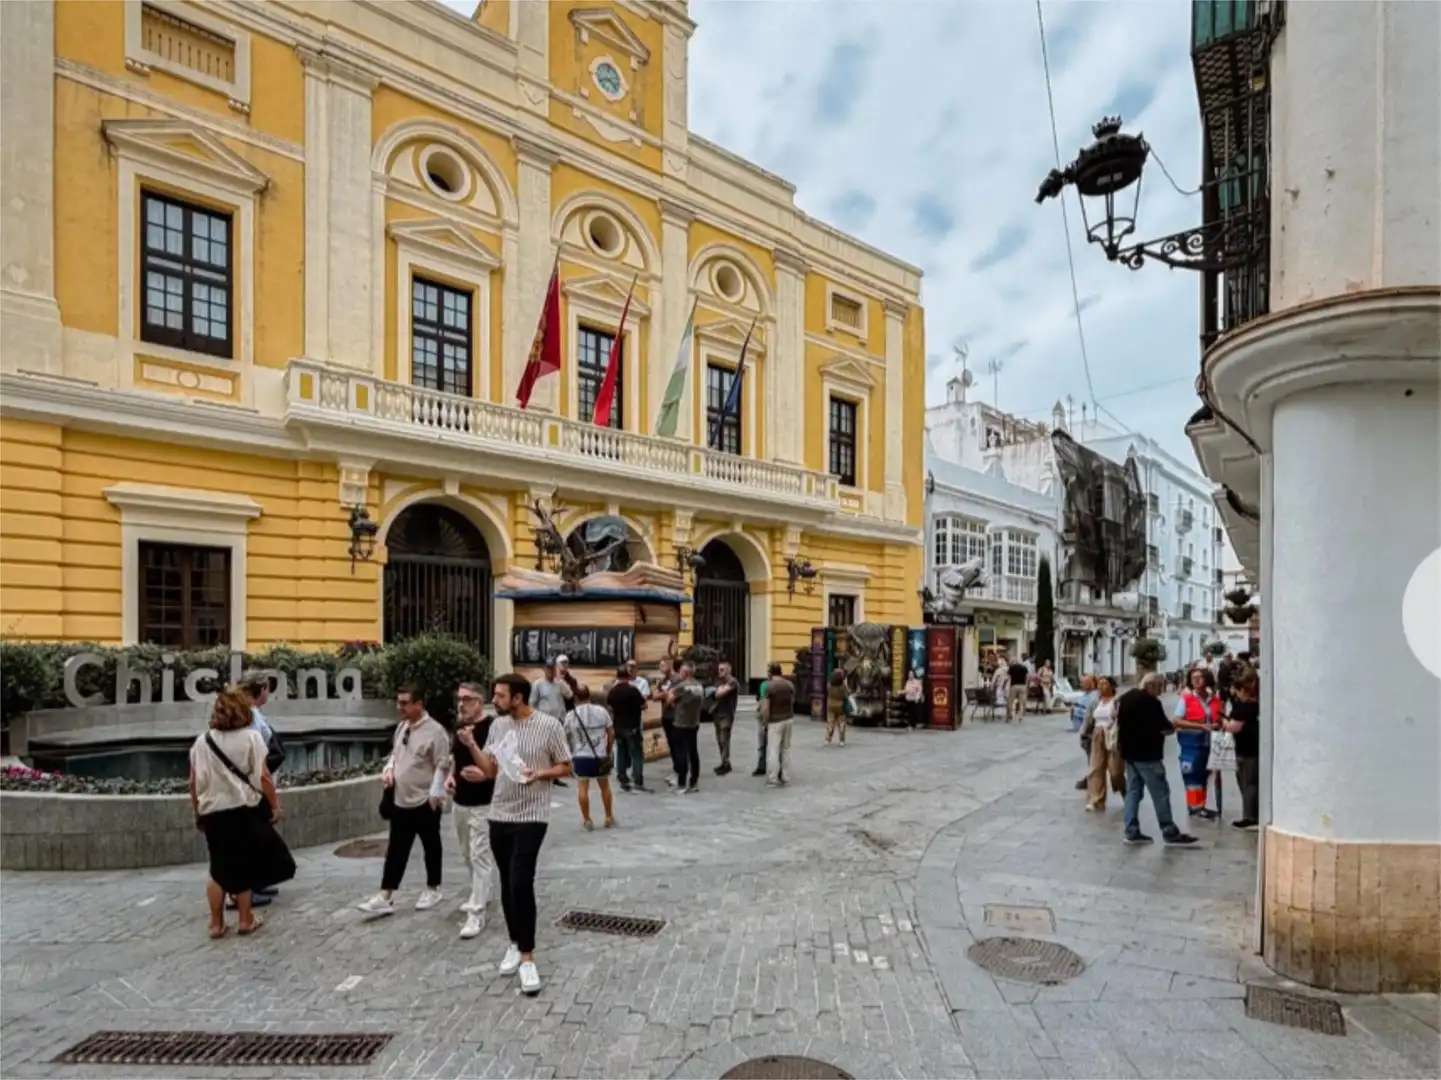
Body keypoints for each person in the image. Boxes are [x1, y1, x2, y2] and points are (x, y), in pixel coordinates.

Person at [475, 673, 572, 996]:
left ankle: (528, 957)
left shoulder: (549, 726)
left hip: (533, 815)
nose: (495, 700)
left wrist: (540, 774)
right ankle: (514, 943)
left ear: (518, 697)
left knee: (520, 880)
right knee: (506, 882)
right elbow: (490, 770)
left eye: (501, 696)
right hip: (499, 812)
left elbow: (566, 766)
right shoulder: (498, 726)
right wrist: (470, 749)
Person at [189, 687, 292, 939]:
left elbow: (192, 783)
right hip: (243, 809)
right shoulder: (251, 738)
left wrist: (197, 812)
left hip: (212, 810)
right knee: (243, 864)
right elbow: (264, 776)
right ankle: (245, 920)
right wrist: (275, 806)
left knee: (217, 868)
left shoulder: (202, 742)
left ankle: (216, 924)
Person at [358, 687, 451, 916]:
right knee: (397, 848)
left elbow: (442, 764)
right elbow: (395, 755)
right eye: (398, 703)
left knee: (431, 845)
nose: (399, 707)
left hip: (424, 800)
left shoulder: (436, 732)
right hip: (401, 799)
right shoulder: (403, 727)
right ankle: (385, 894)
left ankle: (433, 887)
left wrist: (435, 795)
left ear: (419, 704)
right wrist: (389, 770)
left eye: (405, 703)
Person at [1117, 673, 1197, 846]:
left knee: (1133, 792)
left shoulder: (1125, 698)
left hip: (1130, 754)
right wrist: (1173, 727)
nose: (1161, 690)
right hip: (1148, 754)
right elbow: (1164, 727)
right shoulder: (1151, 703)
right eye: (1160, 686)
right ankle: (1169, 830)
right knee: (1160, 793)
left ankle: (1131, 831)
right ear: (1151, 685)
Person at [447, 682, 495, 939]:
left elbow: (498, 766)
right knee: (467, 854)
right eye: (459, 699)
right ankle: (481, 893)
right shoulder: (458, 726)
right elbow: (454, 758)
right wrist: (450, 777)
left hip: (484, 803)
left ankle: (476, 914)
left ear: (480, 701)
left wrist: (485, 775)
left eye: (467, 699)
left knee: (479, 855)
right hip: (460, 801)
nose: (462, 704)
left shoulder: (492, 727)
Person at [238, 670, 284, 906]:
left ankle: (257, 883)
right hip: (255, 786)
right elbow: (257, 757)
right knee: (252, 838)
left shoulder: (251, 713)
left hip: (255, 785)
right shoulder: (251, 715)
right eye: (267, 688)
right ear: (262, 690)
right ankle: (248, 890)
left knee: (258, 836)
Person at [1175, 667, 1223, 820]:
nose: (1196, 680)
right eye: (1193, 678)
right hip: (1191, 743)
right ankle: (1194, 808)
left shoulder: (1215, 700)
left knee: (1204, 775)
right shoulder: (1186, 699)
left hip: (1210, 743)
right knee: (1192, 775)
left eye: (1200, 677)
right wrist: (1199, 726)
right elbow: (1176, 720)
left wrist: (1219, 725)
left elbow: (1220, 718)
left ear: (1207, 679)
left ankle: (1200, 806)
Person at [564, 685, 615, 829]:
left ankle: (587, 819)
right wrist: (608, 750)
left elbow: (565, 737)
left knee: (582, 789)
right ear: (589, 696)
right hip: (599, 754)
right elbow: (611, 733)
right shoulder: (601, 711)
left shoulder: (571, 715)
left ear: (576, 698)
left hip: (580, 755)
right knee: (604, 787)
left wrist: (568, 754)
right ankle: (608, 816)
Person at [1081, 676, 1125, 811]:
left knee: (1115, 770)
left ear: (1112, 686)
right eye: (1099, 684)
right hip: (1097, 734)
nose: (1101, 687)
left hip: (1113, 735)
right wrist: (1084, 734)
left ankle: (1124, 788)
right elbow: (1089, 719)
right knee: (1096, 768)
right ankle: (1096, 800)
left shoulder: (1118, 701)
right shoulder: (1095, 702)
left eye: (1105, 684)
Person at [1226, 664, 1261, 830]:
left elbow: (1234, 727)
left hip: (1245, 748)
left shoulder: (1242, 706)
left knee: (1247, 783)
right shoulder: (1259, 703)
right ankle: (1254, 813)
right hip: (1255, 746)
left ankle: (1249, 816)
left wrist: (1223, 722)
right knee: (1252, 782)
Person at [605, 667, 648, 793]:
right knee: (636, 755)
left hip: (618, 726)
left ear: (617, 677)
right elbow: (644, 705)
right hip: (632, 726)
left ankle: (623, 779)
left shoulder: (613, 692)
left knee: (621, 753)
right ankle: (637, 781)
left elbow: (610, 707)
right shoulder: (632, 690)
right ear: (628, 677)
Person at [668, 662, 705, 793]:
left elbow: (669, 701)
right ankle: (694, 782)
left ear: (685, 673)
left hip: (680, 722)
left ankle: (682, 783)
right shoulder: (699, 686)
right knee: (693, 752)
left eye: (682, 672)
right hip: (694, 722)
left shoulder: (681, 687)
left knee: (681, 753)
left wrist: (672, 698)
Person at [762, 662, 795, 787]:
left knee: (773, 750)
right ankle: (785, 777)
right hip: (789, 718)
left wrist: (765, 720)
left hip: (775, 720)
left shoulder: (769, 687)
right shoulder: (789, 684)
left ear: (770, 672)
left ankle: (772, 778)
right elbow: (792, 701)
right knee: (786, 749)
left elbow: (766, 707)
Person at [655, 657, 680, 788]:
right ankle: (676, 770)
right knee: (671, 744)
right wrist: (665, 694)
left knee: (678, 745)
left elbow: (673, 696)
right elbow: (655, 696)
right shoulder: (663, 681)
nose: (660, 668)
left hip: (676, 717)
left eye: (662, 665)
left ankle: (680, 772)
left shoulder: (677, 679)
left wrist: (664, 695)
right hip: (666, 716)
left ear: (670, 665)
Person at [711, 661, 740, 774]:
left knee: (724, 739)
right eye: (719, 669)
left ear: (728, 671)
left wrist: (720, 689)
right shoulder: (719, 681)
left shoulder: (732, 681)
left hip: (727, 713)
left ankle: (726, 763)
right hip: (717, 713)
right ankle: (724, 762)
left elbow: (719, 694)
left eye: (722, 670)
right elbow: (716, 692)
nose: (719, 671)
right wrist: (720, 689)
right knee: (719, 739)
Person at [1071, 674, 1099, 790]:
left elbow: (1089, 717)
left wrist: (1084, 733)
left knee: (1093, 757)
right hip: (1083, 728)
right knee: (1091, 757)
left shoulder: (1093, 697)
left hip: (1090, 732)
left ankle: (1092, 779)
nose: (1081, 684)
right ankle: (1090, 777)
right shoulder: (1086, 695)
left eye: (1083, 682)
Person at [825, 669, 848, 746]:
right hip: (840, 706)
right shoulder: (842, 686)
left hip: (831, 705)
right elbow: (847, 694)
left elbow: (827, 691)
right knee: (841, 723)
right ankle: (841, 740)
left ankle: (828, 739)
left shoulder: (830, 685)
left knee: (830, 722)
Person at [1006, 655, 1030, 722]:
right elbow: (1027, 677)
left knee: (1010, 701)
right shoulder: (1024, 668)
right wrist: (1026, 685)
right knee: (1021, 702)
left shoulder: (1012, 667)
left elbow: (1007, 676)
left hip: (1014, 686)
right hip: (1022, 686)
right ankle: (1020, 716)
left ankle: (1010, 714)